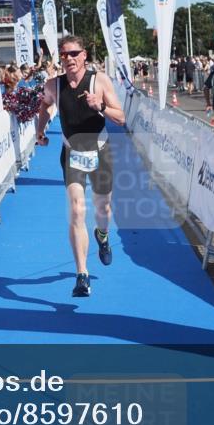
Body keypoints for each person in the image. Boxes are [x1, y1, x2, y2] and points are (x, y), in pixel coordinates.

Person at [35, 36, 125, 298]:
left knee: (102, 208)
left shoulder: (100, 81)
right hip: (72, 151)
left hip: (100, 151)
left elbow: (121, 118)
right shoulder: (53, 84)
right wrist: (40, 130)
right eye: (64, 55)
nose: (69, 58)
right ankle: (82, 275)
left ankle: (103, 235)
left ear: (84, 55)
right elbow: (45, 104)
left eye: (74, 53)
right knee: (76, 210)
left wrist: (101, 106)